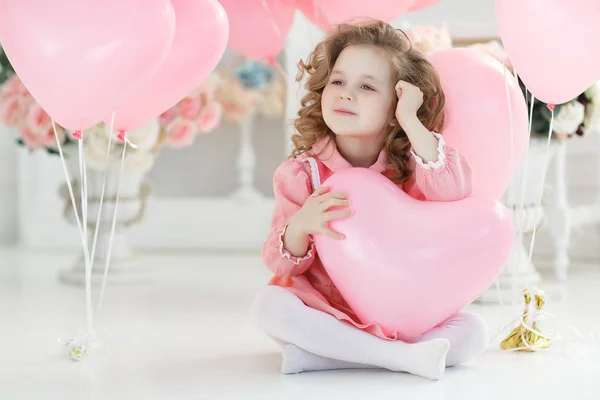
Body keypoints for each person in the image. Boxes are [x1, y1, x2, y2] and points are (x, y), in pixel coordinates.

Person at [253, 20, 488, 381]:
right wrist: (301, 226)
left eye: (366, 86)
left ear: (396, 104)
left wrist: (411, 121)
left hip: (400, 310)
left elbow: (455, 189)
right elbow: (280, 265)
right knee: (271, 306)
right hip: (324, 310)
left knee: (473, 332)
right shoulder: (301, 174)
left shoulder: (412, 167)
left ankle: (329, 356)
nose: (346, 93)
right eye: (338, 81)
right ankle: (399, 358)